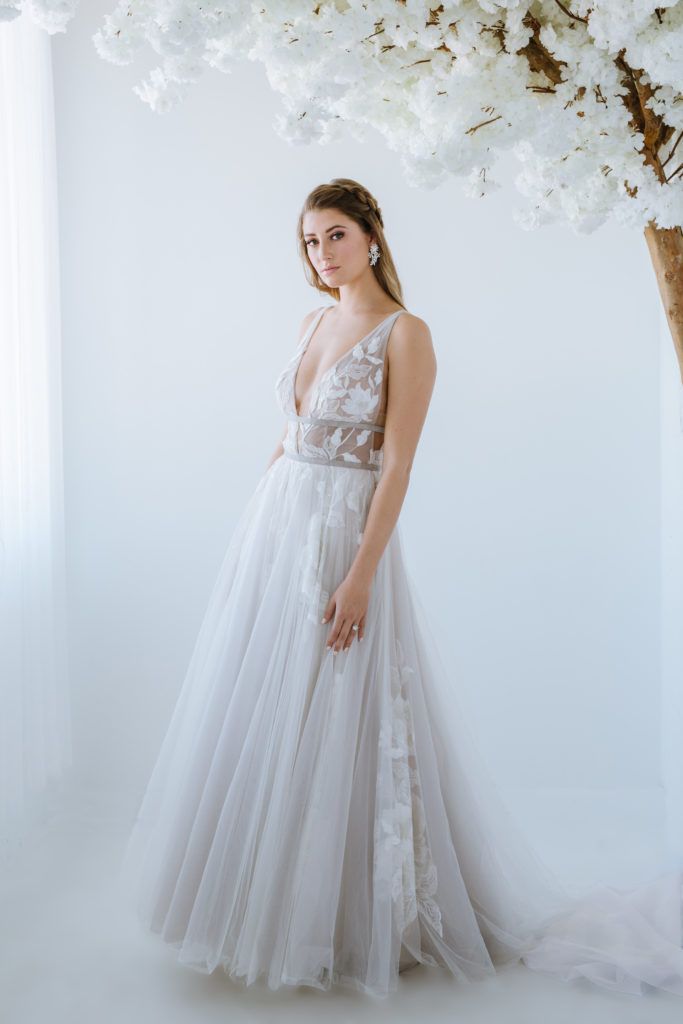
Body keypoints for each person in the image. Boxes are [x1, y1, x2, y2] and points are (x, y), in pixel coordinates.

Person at [119, 177, 683, 999]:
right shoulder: (313, 320)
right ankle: (262, 899)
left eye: (336, 236)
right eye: (310, 241)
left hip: (347, 536)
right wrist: (262, 529)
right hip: (282, 531)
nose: (322, 254)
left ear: (373, 236)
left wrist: (358, 575)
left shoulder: (404, 334)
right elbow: (294, 436)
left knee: (345, 706)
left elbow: (397, 464)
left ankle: (353, 915)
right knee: (267, 709)